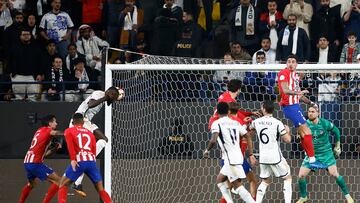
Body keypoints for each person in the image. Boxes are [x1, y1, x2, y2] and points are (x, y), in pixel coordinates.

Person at [70, 86, 123, 196]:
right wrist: (108, 96)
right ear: (109, 92)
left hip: (84, 122)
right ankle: (81, 174)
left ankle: (77, 182)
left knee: (92, 149)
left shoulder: (105, 97)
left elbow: (108, 102)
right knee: (104, 139)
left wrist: (117, 96)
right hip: (79, 120)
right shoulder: (99, 93)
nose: (112, 99)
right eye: (113, 96)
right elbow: (91, 104)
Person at [296, 107, 354, 203]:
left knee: (334, 174)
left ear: (318, 113)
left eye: (313, 112)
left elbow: (336, 131)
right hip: (312, 155)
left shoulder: (325, 123)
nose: (310, 113)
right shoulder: (305, 125)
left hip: (326, 153)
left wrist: (338, 145)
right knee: (301, 175)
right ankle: (303, 197)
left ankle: (348, 196)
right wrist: (300, 136)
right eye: (309, 112)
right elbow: (301, 137)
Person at [277, 54, 326, 169]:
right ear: (286, 64)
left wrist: (311, 103)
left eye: (293, 61)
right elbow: (285, 90)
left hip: (296, 106)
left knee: (303, 134)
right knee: (307, 132)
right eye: (289, 61)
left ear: (296, 64)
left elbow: (300, 95)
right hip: (290, 107)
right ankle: (312, 160)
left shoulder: (295, 76)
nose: (290, 63)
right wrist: (298, 93)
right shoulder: (283, 73)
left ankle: (309, 157)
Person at [203, 102, 255, 203]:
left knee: (237, 186)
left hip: (231, 159)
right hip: (238, 156)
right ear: (228, 111)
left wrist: (207, 151)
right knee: (221, 180)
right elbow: (247, 135)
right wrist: (251, 154)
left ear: (217, 112)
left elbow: (213, 140)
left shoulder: (217, 123)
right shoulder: (235, 123)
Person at [57, 113, 112, 203]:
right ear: (83, 122)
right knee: (100, 189)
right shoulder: (90, 134)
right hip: (91, 162)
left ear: (73, 121)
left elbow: (70, 147)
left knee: (62, 185)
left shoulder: (69, 131)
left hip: (79, 161)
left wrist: (73, 160)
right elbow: (93, 149)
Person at [249, 100, 292, 203]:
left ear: (263, 109)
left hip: (263, 157)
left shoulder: (255, 122)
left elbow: (248, 133)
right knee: (287, 178)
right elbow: (287, 140)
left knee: (265, 181)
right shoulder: (277, 123)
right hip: (275, 156)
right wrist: (288, 131)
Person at [19, 115, 63, 203]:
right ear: (50, 123)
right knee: (59, 181)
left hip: (27, 162)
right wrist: (71, 132)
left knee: (32, 184)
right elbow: (57, 133)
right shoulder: (48, 130)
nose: (56, 123)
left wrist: (54, 149)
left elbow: (45, 155)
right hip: (35, 164)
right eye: (55, 121)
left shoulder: (39, 131)